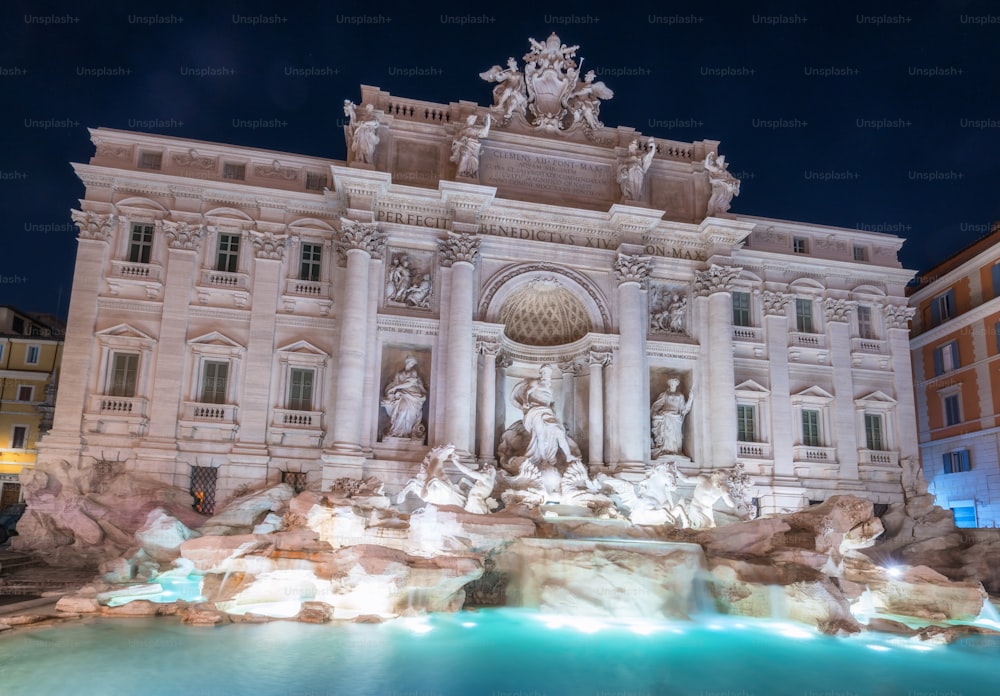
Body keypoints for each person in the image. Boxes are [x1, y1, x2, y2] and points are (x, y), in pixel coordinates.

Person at [511, 364, 579, 468]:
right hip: (536, 411)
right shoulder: (536, 383)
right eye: (545, 372)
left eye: (549, 373)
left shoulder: (550, 388)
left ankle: (568, 456)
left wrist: (553, 409)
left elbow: (549, 402)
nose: (547, 375)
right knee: (540, 436)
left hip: (548, 412)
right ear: (541, 373)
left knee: (559, 432)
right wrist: (525, 402)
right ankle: (543, 458)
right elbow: (526, 392)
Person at [381, 355, 427, 438]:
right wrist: (391, 391)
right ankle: (396, 431)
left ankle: (407, 433)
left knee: (410, 414)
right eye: (412, 362)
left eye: (413, 363)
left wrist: (396, 387)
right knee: (402, 411)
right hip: (402, 395)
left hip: (412, 395)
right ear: (408, 362)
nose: (413, 364)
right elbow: (394, 383)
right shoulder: (399, 373)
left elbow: (409, 383)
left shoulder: (413, 372)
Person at [651, 378, 693, 457]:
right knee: (667, 435)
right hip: (666, 417)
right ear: (669, 384)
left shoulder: (680, 396)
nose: (673, 385)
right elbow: (657, 406)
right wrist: (655, 413)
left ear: (677, 385)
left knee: (676, 437)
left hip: (676, 419)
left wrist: (690, 398)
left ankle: (675, 452)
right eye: (672, 384)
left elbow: (684, 409)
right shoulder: (664, 395)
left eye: (675, 384)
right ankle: (666, 451)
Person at [450, 114, 491, 178]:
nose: (472, 121)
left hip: (474, 147)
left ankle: (470, 173)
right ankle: (460, 172)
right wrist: (462, 140)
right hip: (464, 145)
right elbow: (455, 140)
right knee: (464, 155)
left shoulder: (475, 130)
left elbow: (485, 131)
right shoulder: (461, 131)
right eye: (471, 119)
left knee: (474, 160)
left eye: (473, 120)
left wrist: (488, 119)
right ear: (468, 120)